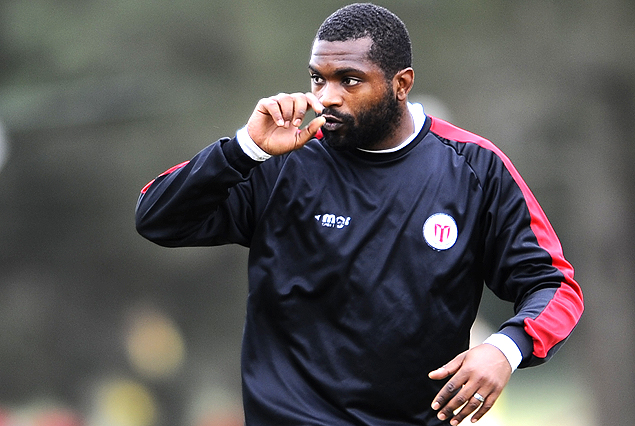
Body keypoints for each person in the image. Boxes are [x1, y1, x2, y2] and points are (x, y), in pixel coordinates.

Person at [135, 3, 584, 425]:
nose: (326, 97)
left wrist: (505, 349)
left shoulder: (475, 168)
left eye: (349, 80)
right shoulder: (281, 161)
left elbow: (554, 286)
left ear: (401, 84)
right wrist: (243, 149)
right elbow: (158, 216)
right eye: (317, 79)